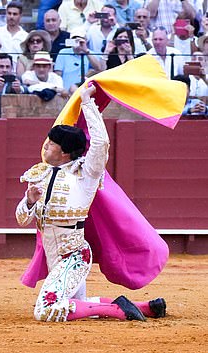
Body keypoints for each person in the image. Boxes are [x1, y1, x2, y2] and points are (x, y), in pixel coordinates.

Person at [16, 84, 167, 322]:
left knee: (45, 309)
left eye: (52, 144)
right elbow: (22, 219)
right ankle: (142, 307)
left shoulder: (85, 174)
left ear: (65, 152)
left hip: (74, 255)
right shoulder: (39, 175)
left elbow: (100, 143)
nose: (46, 145)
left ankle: (117, 311)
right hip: (54, 256)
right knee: (79, 305)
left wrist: (87, 102)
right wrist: (28, 200)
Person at [54, 29, 103, 93]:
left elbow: (98, 68)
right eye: (74, 40)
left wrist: (86, 51)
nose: (77, 43)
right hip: (65, 93)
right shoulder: (63, 52)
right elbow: (58, 74)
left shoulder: (91, 54)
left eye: (80, 40)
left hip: (84, 91)